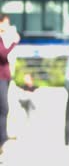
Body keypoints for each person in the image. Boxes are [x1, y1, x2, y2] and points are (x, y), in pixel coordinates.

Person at [0, 13, 20, 154]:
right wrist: (14, 42)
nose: (7, 26)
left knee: (3, 109)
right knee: (3, 109)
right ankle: (2, 139)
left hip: (5, 77)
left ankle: (3, 137)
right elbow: (3, 54)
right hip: (1, 77)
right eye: (6, 23)